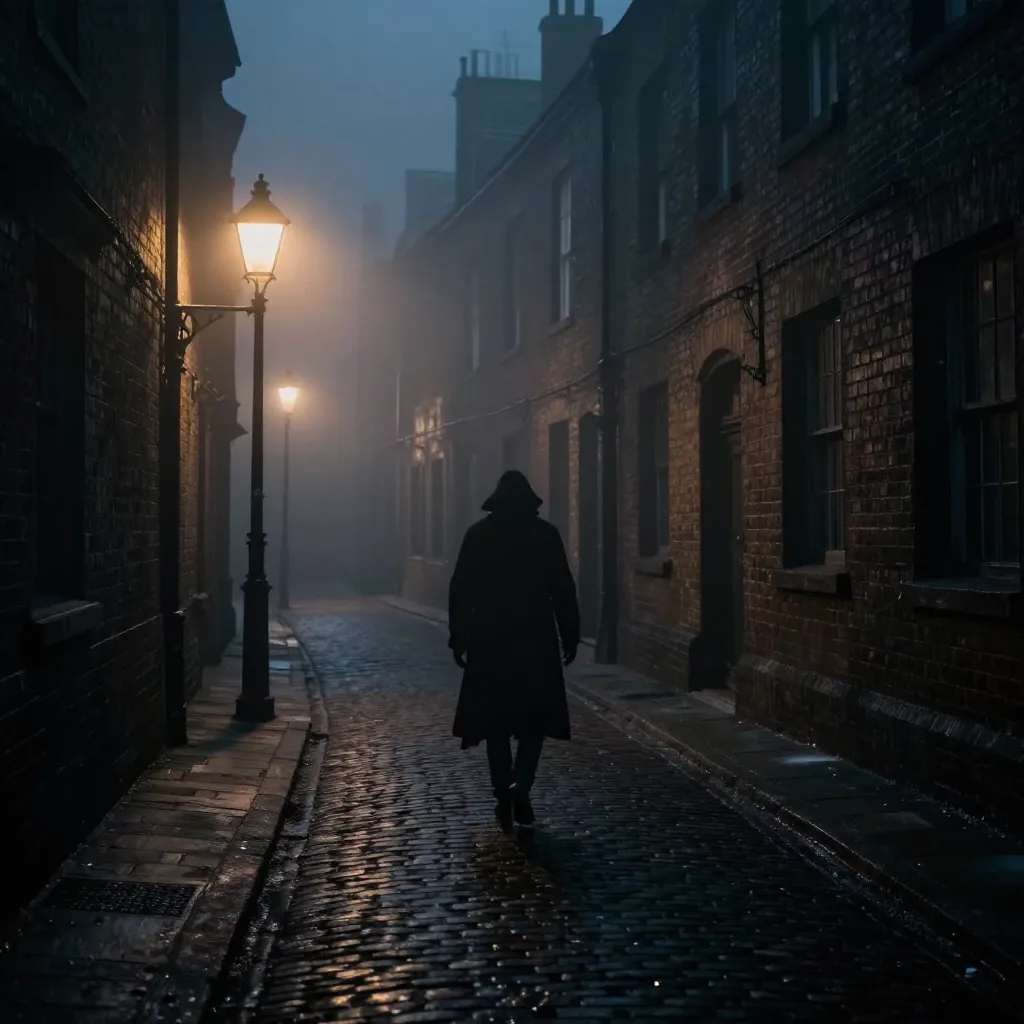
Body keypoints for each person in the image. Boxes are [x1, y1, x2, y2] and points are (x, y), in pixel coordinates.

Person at [448, 469, 580, 828]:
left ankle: (502, 796)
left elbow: (460, 589)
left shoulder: (478, 536)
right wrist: (570, 634)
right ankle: (521, 783)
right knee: (533, 721)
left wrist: (459, 636)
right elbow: (563, 590)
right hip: (535, 639)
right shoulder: (545, 535)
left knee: (496, 724)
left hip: (490, 640)